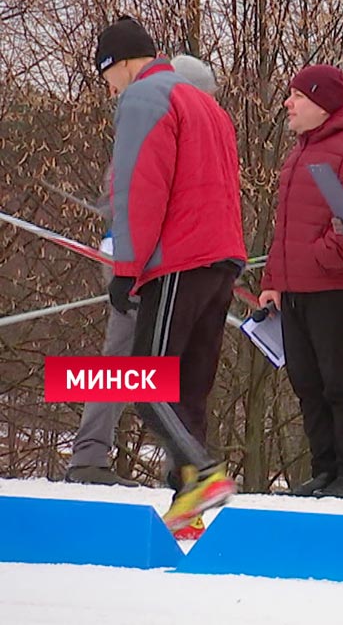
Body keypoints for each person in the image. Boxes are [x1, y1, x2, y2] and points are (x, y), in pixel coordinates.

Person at [97, 16, 244, 530]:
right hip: (220, 257)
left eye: (107, 74)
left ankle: (202, 474)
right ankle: (188, 509)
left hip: (176, 260)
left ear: (120, 63)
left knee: (146, 382)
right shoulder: (206, 104)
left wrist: (127, 267)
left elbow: (139, 185)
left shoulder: (143, 97)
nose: (109, 87)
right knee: (187, 389)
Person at [67, 54, 219, 490]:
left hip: (158, 261)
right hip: (144, 265)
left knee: (152, 367)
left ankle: (168, 468)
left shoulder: (181, 120)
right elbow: (130, 191)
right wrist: (126, 256)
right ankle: (95, 455)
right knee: (134, 365)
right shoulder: (163, 117)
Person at [260, 63, 343, 498]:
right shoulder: (298, 153)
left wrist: (326, 256)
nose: (288, 104)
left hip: (339, 288)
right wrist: (273, 279)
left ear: (321, 103)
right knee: (306, 382)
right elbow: (284, 227)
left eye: (297, 96)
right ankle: (324, 468)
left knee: (340, 380)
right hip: (296, 290)